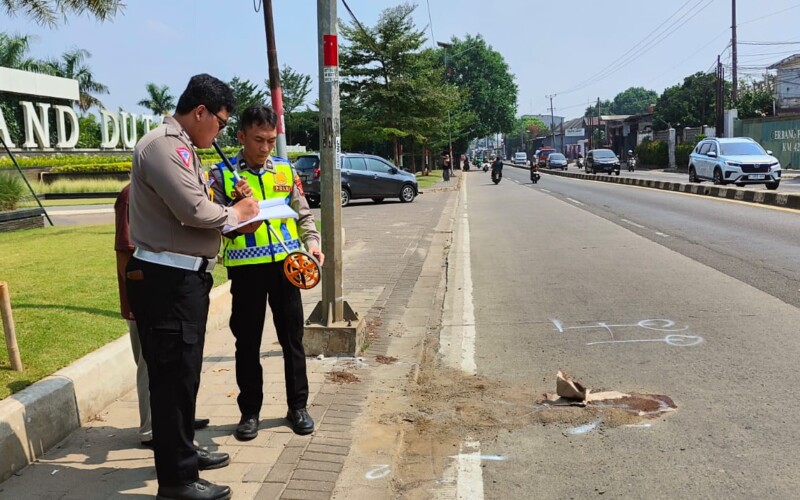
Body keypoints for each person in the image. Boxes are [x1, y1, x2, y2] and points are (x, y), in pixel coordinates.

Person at [126, 74, 259, 500]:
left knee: (183, 377)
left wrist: (230, 211)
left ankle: (184, 452)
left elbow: (200, 209)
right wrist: (237, 213)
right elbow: (193, 210)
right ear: (200, 112)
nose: (220, 132)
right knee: (171, 381)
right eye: (221, 122)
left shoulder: (182, 148)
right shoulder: (164, 147)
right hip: (167, 281)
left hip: (184, 279)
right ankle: (178, 482)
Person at [210, 105, 324, 441]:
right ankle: (249, 413)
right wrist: (235, 209)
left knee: (293, 340)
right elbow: (214, 223)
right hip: (246, 272)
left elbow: (303, 215)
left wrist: (313, 243)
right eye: (258, 139)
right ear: (241, 136)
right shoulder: (222, 175)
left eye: (271, 141)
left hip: (287, 268)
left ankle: (298, 407)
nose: (265, 147)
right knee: (247, 343)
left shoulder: (286, 171)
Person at [114, 184, 211, 450]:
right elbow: (124, 251)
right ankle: (152, 429)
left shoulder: (164, 190)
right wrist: (136, 299)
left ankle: (177, 420)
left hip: (170, 293)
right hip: (146, 296)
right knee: (151, 364)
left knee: (174, 365)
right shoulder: (132, 195)